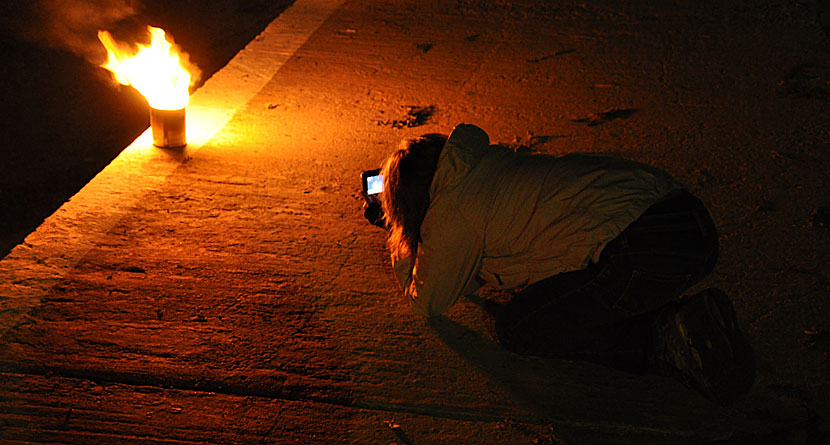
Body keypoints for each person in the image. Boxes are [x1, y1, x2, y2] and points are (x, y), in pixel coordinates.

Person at [363, 123, 755, 405]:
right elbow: (464, 277)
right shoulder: (487, 165)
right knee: (562, 294)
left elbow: (427, 300)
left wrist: (398, 230)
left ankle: (665, 336)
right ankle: (683, 315)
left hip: (646, 248)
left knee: (522, 326)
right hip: (690, 224)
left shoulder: (451, 215)